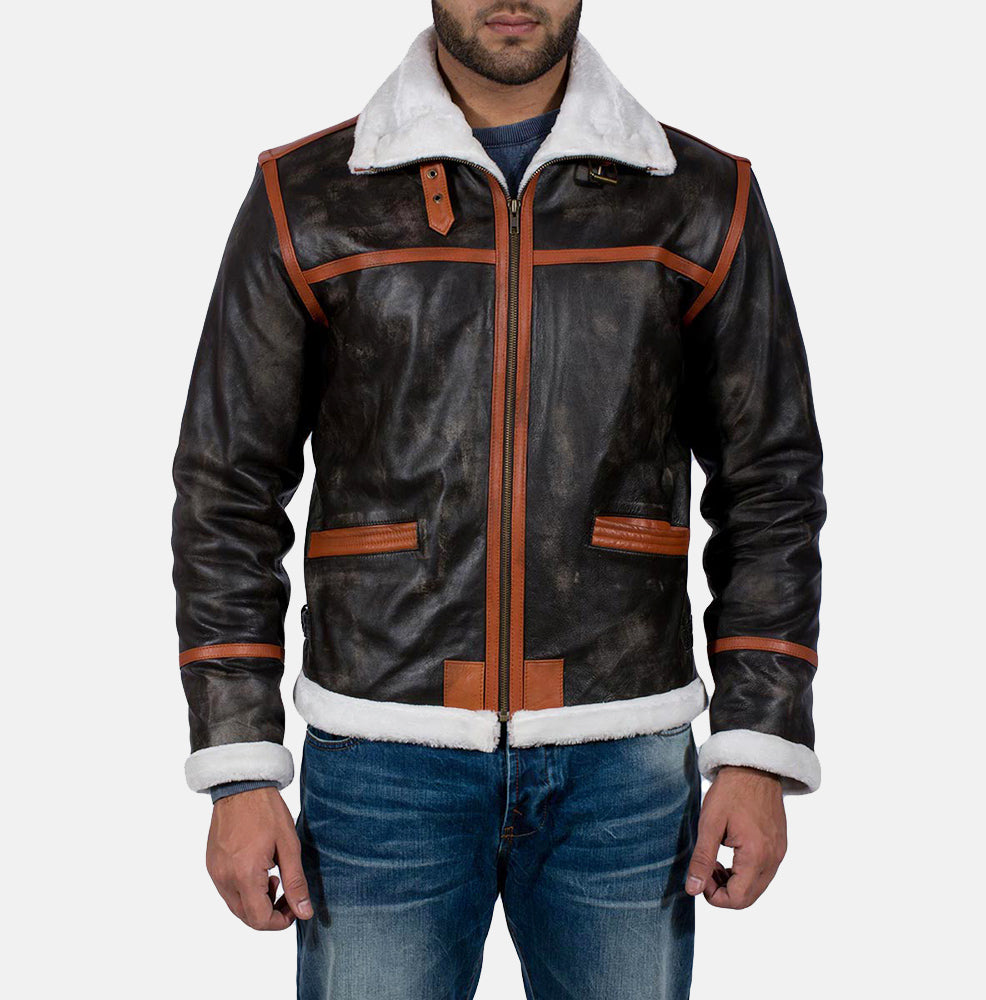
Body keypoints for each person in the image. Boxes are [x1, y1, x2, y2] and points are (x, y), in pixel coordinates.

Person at [170, 2, 826, 997]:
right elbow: (227, 486)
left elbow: (770, 480)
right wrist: (238, 763)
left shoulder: (698, 199)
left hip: (625, 767)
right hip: (381, 761)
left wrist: (757, 748)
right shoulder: (308, 198)